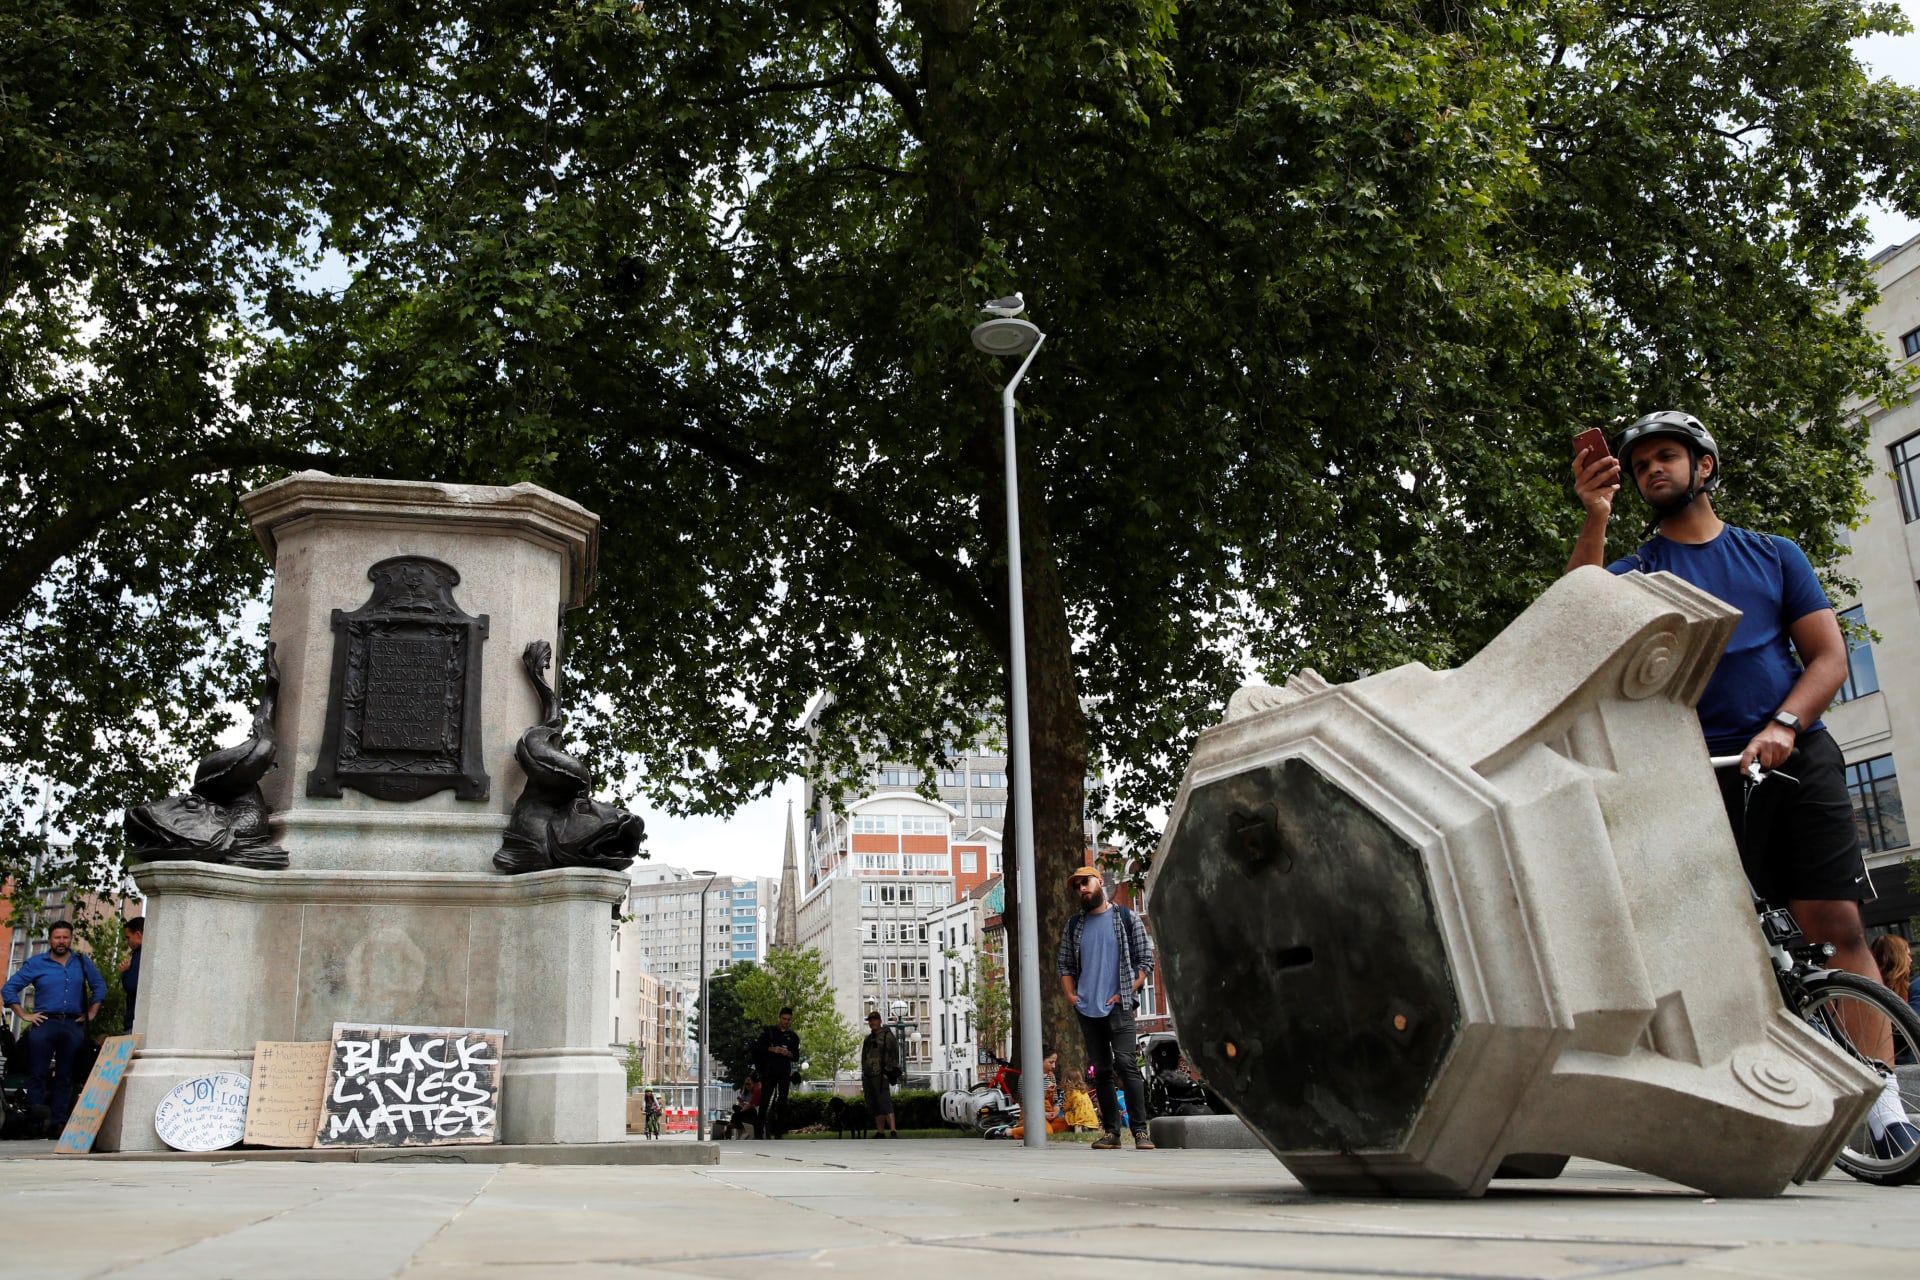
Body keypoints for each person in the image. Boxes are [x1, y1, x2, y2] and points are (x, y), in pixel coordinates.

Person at [1569, 410, 1919, 1157]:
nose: (1651, 471)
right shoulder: (1635, 573)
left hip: (1796, 756)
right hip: (1696, 773)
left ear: (1705, 466)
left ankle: (1883, 1106)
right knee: (1720, 947)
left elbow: (1826, 656)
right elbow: (1574, 629)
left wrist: (1785, 725)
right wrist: (1595, 519)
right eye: (1639, 467)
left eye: (1667, 456)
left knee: (1839, 927)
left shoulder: (1773, 555)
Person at [1056, 865, 1155, 1150]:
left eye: (1085, 883)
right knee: (1100, 1070)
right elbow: (1065, 964)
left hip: (1119, 1005)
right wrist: (1071, 996)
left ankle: (1140, 1132)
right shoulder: (1075, 925)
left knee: (1126, 1064)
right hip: (1087, 1008)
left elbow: (1145, 961)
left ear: (1099, 881)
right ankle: (1111, 1133)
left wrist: (1125, 992)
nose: (1081, 889)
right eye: (1077, 887)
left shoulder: (1125, 918)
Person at [2, 921, 106, 1135]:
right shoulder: (37, 963)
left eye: (65, 937)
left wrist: (92, 1012)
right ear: (50, 939)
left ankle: (59, 1123)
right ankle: (34, 1122)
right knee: (37, 1073)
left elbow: (99, 986)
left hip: (71, 1024)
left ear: (71, 939)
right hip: (45, 1023)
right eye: (57, 937)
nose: (61, 941)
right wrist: (23, 1014)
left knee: (66, 1075)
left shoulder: (81, 961)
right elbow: (9, 988)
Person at [752, 1007, 801, 1139]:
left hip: (784, 1072)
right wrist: (773, 1049)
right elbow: (758, 1048)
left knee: (782, 1102)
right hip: (770, 1072)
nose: (786, 1022)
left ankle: (779, 1132)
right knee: (765, 1101)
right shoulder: (770, 1032)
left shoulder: (792, 1036)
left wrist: (788, 1053)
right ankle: (758, 1132)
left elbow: (796, 1056)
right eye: (784, 1019)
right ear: (779, 1018)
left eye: (788, 1020)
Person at [1005, 1049, 1069, 1141]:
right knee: (1046, 1132)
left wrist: (1055, 1111)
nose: (1054, 1066)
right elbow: (1025, 1103)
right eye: (1051, 1062)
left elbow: (1055, 1101)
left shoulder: (1051, 1076)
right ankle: (1011, 1132)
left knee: (1069, 1123)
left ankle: (1041, 1129)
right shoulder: (1025, 1077)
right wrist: (1043, 1112)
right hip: (1032, 1116)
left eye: (1054, 1062)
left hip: (1048, 1116)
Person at [860, 1011, 902, 1138]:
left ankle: (893, 1130)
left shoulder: (887, 1036)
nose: (872, 1023)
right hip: (868, 1075)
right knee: (874, 1104)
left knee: (885, 1103)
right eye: (870, 1020)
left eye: (874, 1020)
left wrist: (887, 1072)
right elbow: (864, 1056)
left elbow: (894, 1055)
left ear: (879, 1021)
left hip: (881, 1074)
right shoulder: (868, 1039)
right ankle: (880, 1131)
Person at [119, 916, 144, 1031]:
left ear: (138, 935)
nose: (127, 942)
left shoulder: (139, 955)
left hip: (135, 1020)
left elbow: (132, 986)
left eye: (128, 937)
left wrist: (125, 972)